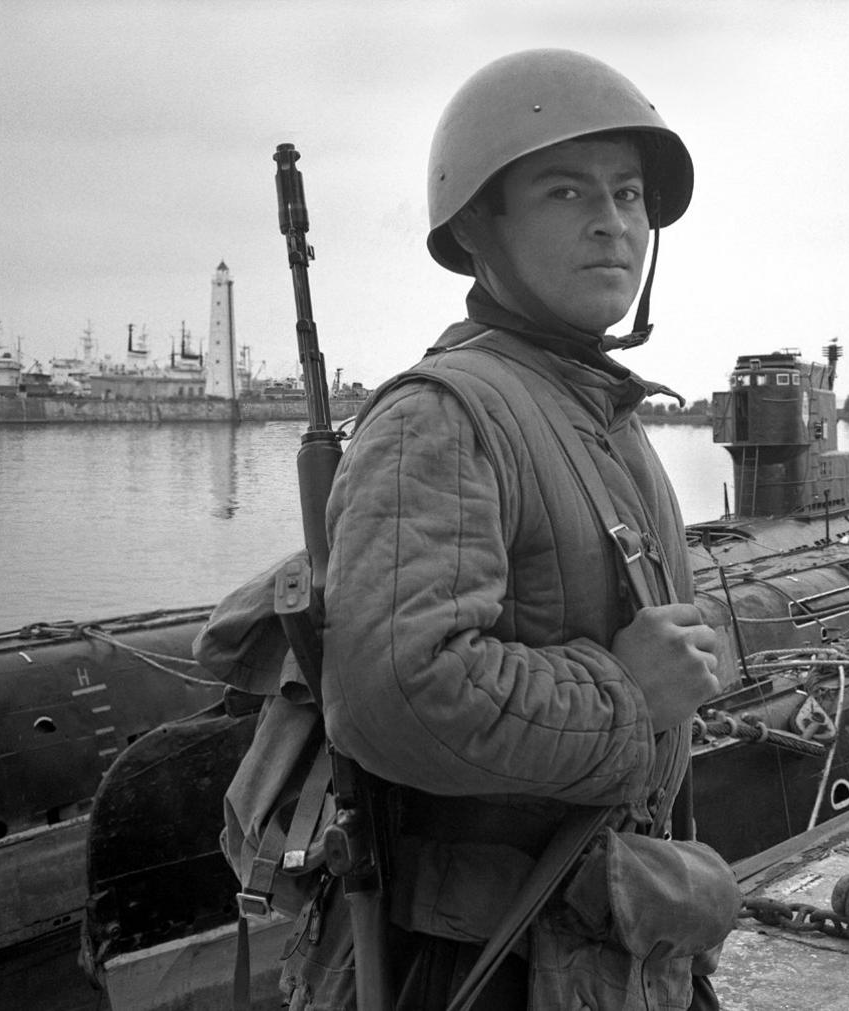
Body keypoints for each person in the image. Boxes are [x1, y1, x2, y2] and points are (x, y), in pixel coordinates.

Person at [311, 48, 727, 1010]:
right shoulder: (443, 415)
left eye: (628, 194)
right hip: (487, 968)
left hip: (602, 949)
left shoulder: (596, 409)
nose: (612, 221)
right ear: (478, 224)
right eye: (564, 191)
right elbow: (400, 691)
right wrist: (629, 692)